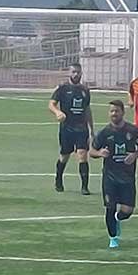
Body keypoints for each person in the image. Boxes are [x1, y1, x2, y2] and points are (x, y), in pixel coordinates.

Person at [92, 100, 138, 249]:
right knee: (110, 207)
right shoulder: (104, 133)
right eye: (111, 111)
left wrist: (135, 155)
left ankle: (117, 219)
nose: (114, 114)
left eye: (116, 111)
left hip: (127, 178)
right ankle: (113, 238)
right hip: (110, 177)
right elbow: (92, 151)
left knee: (127, 211)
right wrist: (99, 153)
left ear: (123, 112)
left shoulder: (132, 130)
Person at [48, 63, 93, 194]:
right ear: (69, 73)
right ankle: (58, 179)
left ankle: (84, 187)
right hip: (67, 128)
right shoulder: (63, 88)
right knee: (64, 156)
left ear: (81, 73)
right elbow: (51, 104)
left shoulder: (85, 90)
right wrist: (57, 112)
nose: (76, 74)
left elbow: (87, 109)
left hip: (81, 128)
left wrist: (91, 129)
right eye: (73, 72)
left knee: (82, 154)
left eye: (78, 72)